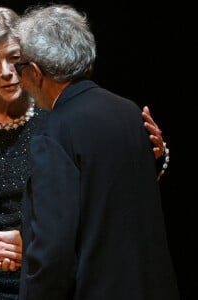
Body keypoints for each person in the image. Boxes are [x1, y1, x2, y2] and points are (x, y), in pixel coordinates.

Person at [0, 6, 169, 300]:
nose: (6, 73)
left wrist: (153, 157)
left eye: (15, 60)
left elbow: (101, 192)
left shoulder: (54, 116)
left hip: (53, 283)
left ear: (34, 64)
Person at [14, 4, 179, 300]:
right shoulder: (129, 111)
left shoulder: (55, 131)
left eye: (20, 68)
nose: (20, 80)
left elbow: (53, 251)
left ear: (36, 73)